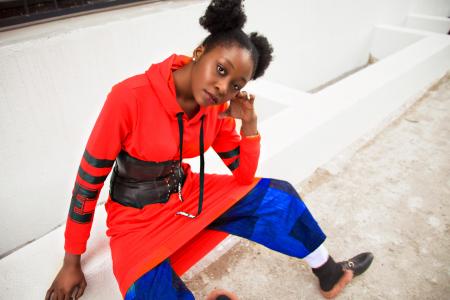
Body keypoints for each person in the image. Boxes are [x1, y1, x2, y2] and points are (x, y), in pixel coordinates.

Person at [45, 0, 373, 299]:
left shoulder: (216, 110)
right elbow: (88, 182)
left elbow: (244, 176)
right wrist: (71, 260)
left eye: (235, 85)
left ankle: (330, 273)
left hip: (188, 196)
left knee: (278, 197)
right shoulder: (128, 97)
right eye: (221, 70)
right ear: (200, 52)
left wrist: (249, 126)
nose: (223, 88)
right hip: (135, 221)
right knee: (146, 293)